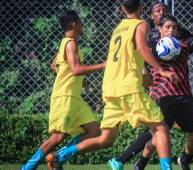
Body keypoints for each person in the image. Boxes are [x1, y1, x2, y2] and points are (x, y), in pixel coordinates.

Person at [108, 4, 193, 170]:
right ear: (157, 25)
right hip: (163, 97)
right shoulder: (149, 41)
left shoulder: (183, 42)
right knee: (161, 132)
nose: (171, 30)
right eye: (167, 26)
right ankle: (124, 161)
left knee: (186, 136)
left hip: (184, 97)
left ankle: (153, 162)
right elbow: (137, 55)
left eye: (174, 27)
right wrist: (145, 75)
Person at [48, 0, 177, 170]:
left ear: (123, 9)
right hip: (128, 87)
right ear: (141, 7)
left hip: (111, 87)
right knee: (161, 129)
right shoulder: (141, 24)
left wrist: (143, 77)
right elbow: (141, 48)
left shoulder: (118, 29)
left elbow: (124, 59)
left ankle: (61, 155)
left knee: (105, 139)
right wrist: (160, 69)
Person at [21, 10, 106, 170]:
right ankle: (26, 168)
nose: (82, 25)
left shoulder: (65, 43)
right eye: (80, 22)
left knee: (94, 130)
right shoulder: (70, 43)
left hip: (75, 98)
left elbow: (55, 66)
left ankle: (58, 157)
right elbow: (75, 69)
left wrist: (79, 81)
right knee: (58, 137)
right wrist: (102, 66)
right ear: (74, 24)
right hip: (65, 96)